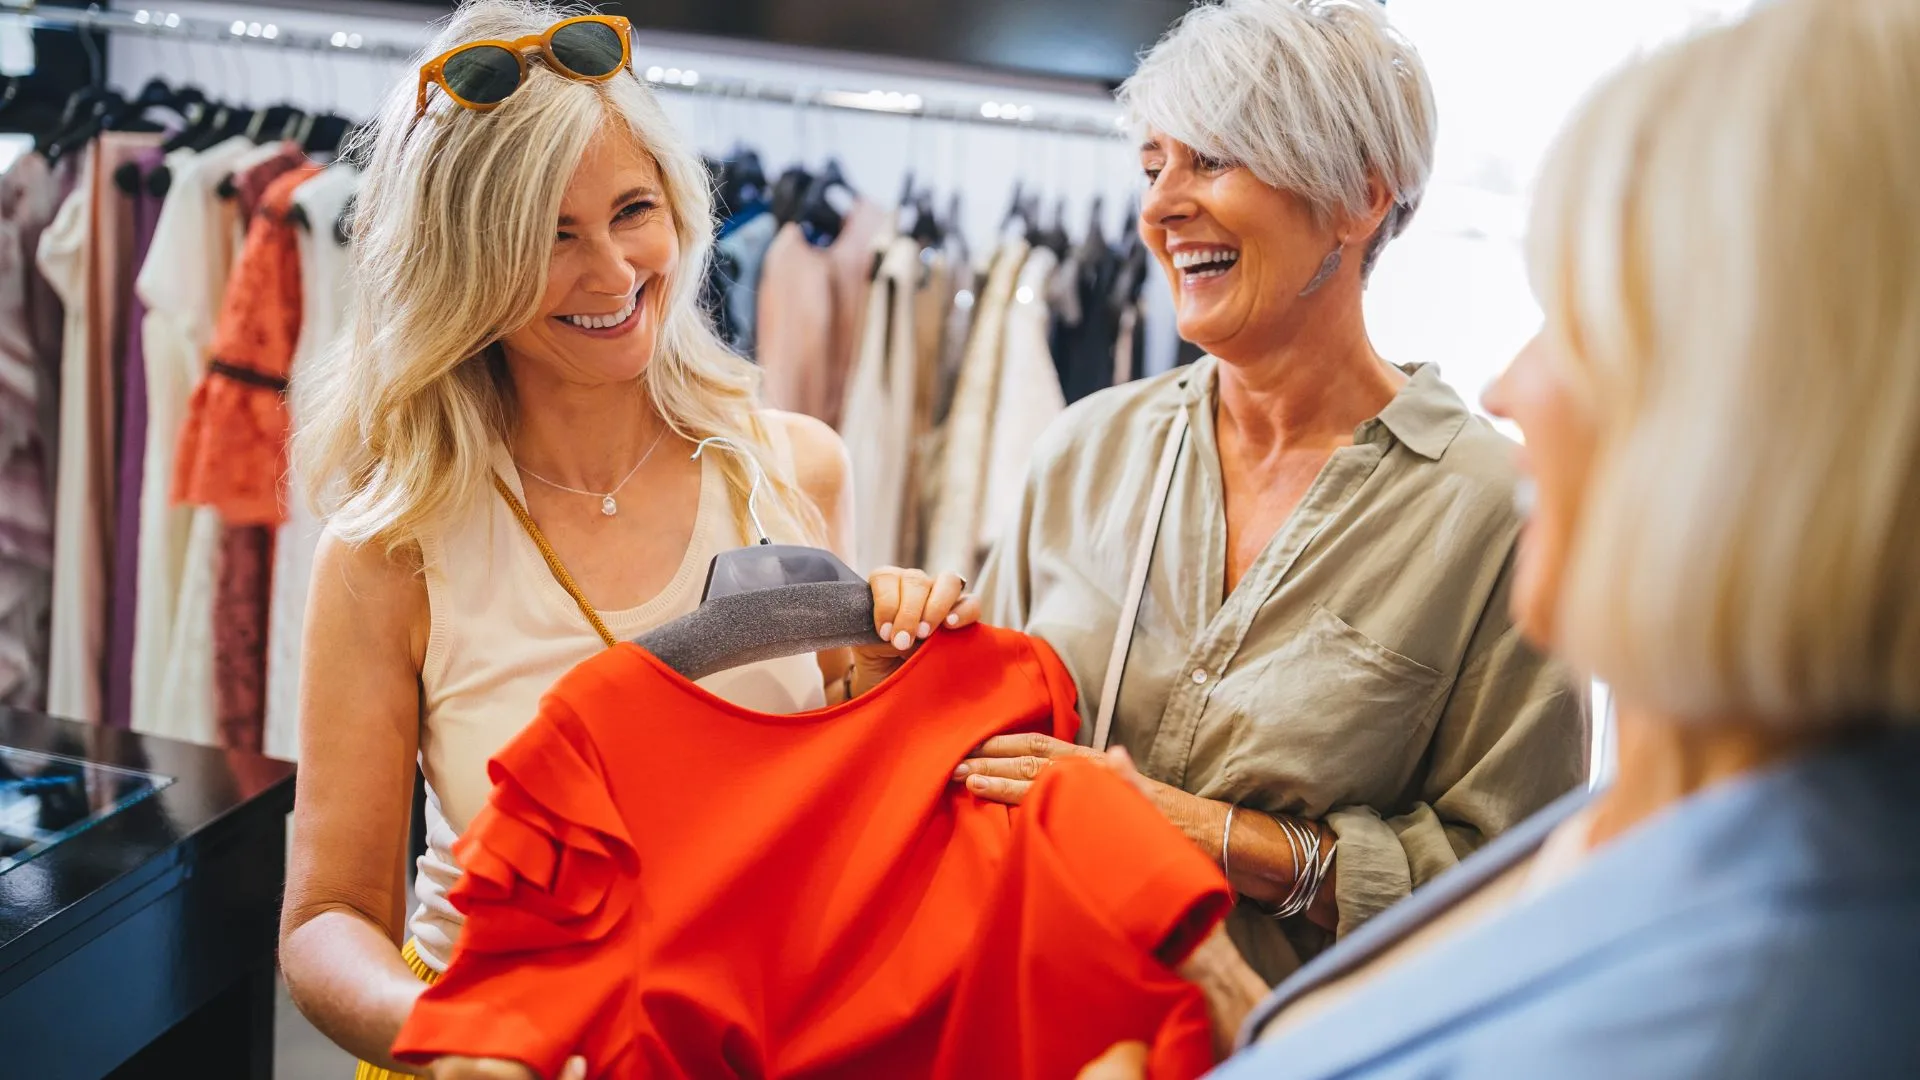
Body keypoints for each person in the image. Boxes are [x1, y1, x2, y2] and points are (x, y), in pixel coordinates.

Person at [1082, 0, 1920, 1074]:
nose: (1508, 385)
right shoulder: (1696, 827)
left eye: (1585, 321)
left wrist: (1213, 846)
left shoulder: (1769, 996)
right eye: (1154, 163)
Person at [277, 3, 973, 1076]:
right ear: (467, 265)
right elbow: (328, 917)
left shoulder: (794, 471)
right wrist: (456, 1040)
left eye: (633, 210)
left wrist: (889, 690)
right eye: (550, 236)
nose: (611, 270)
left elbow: (851, 821)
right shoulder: (392, 553)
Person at [969, 0, 1588, 984]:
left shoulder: (1493, 515)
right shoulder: (1086, 452)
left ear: (1360, 198)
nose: (1161, 207)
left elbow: (1514, 881)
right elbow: (982, 753)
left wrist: (1213, 835)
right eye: (1152, 166)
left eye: (1212, 160)